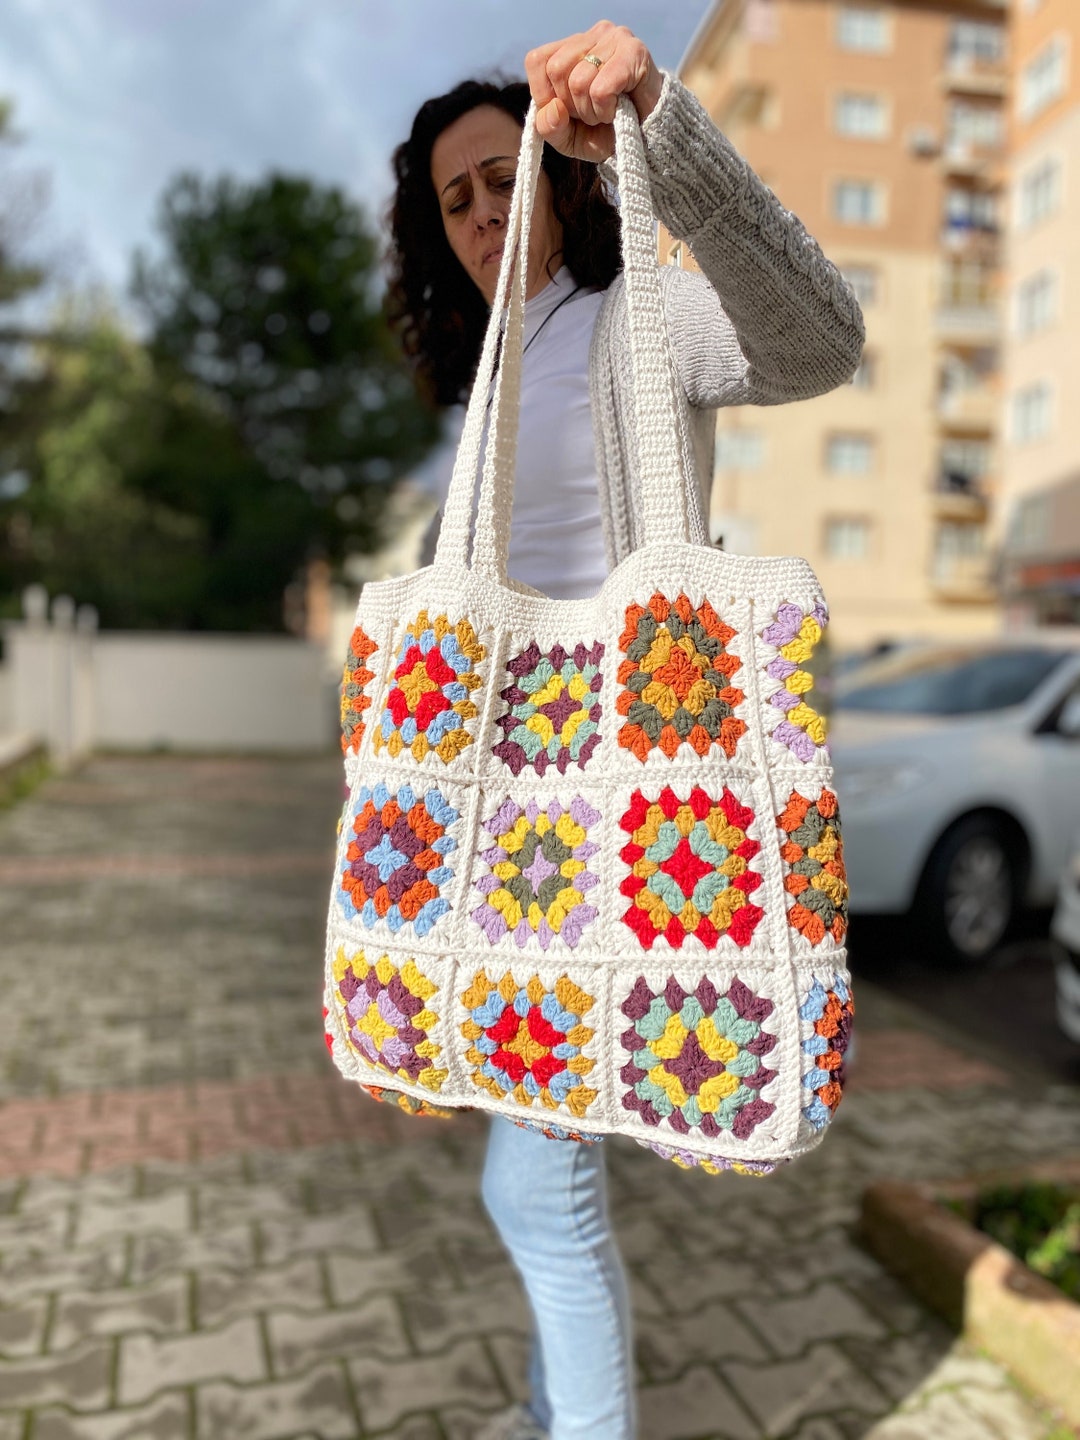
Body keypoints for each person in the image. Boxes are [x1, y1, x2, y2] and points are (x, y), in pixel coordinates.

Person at [385, 21, 865, 1440]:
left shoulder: (637, 316)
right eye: (454, 200)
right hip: (506, 819)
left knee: (541, 1190)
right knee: (526, 1174)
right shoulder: (489, 383)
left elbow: (823, 338)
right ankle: (546, 1414)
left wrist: (667, 121)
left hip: (622, 801)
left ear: (559, 174)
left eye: (498, 178)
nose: (482, 214)